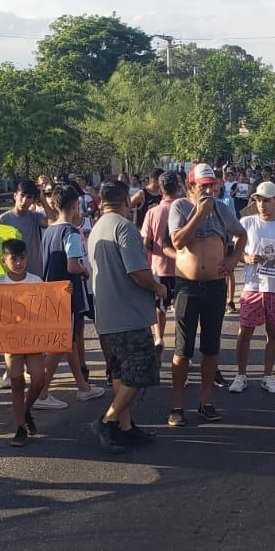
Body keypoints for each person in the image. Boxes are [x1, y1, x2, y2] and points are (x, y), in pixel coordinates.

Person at [86, 181, 167, 454]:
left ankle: (125, 426)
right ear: (127, 201)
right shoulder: (124, 227)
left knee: (120, 371)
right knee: (142, 370)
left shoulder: (96, 228)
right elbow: (138, 272)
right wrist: (158, 287)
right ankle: (107, 421)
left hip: (106, 315)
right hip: (128, 315)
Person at [166, 163, 246, 426]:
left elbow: (241, 235)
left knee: (211, 347)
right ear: (191, 187)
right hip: (188, 287)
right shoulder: (181, 207)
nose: (209, 190)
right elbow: (177, 242)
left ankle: (206, 400)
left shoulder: (222, 209)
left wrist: (234, 259)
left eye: (212, 185)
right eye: (203, 186)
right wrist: (200, 214)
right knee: (183, 349)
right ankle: (177, 404)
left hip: (215, 287)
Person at [38, 184, 104, 409]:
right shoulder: (71, 232)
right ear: (75, 205)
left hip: (51, 292)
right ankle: (42, 392)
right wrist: (85, 271)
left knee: (69, 344)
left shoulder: (48, 231)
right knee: (61, 344)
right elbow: (73, 265)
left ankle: (83, 388)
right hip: (67, 293)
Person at [230, 181, 275, 395]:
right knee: (245, 332)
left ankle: (268, 375)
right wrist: (246, 258)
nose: (262, 204)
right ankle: (241, 374)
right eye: (258, 200)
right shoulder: (246, 222)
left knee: (273, 332)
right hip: (252, 285)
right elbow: (236, 252)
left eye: (267, 200)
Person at [0, 239, 47, 447]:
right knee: (16, 382)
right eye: (13, 259)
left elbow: (49, 305)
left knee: (39, 380)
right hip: (11, 341)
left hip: (33, 340)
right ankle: (19, 427)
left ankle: (25, 411)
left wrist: (63, 294)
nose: (18, 263)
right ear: (4, 260)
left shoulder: (36, 281)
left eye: (22, 258)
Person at [142, 171, 184, 348]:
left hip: (159, 267)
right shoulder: (186, 209)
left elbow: (146, 241)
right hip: (183, 267)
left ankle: (159, 338)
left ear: (160, 190)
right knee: (182, 310)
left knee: (160, 306)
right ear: (179, 187)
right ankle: (180, 345)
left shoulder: (153, 212)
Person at [0, 181, 49, 274]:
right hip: (11, 274)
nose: (24, 200)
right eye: (22, 195)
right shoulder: (2, 220)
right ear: (15, 196)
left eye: (29, 197)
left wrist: (42, 199)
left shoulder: (35, 217)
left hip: (34, 272)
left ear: (33, 200)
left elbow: (52, 222)